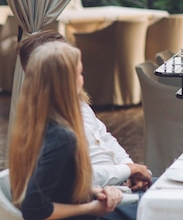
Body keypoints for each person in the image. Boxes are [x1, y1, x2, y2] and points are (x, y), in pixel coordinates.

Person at [17, 30, 152, 220]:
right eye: (79, 73)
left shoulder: (69, 111)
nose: (83, 78)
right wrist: (95, 206)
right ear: (63, 77)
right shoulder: (61, 136)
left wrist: (126, 169)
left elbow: (68, 181)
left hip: (104, 192)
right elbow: (34, 208)